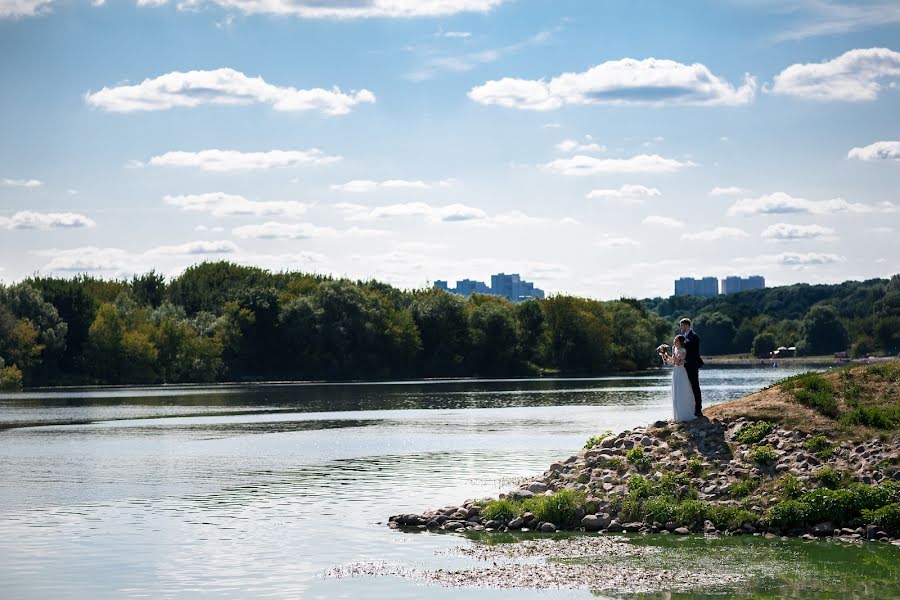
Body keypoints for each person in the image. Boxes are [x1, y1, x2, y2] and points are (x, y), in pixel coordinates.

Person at [661, 335, 696, 422]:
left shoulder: (683, 350)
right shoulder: (676, 350)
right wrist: (665, 355)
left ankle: (684, 415)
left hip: (681, 371)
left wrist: (672, 352)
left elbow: (676, 361)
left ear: (680, 342)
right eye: (674, 340)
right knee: (676, 391)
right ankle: (677, 415)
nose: (674, 341)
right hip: (676, 371)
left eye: (676, 340)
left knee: (681, 391)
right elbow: (674, 362)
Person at [679, 318, 704, 418]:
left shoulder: (694, 336)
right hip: (682, 366)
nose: (680, 327)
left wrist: (686, 360)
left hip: (692, 365)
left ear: (686, 325)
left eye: (681, 325)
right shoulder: (682, 337)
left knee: (695, 386)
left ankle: (698, 409)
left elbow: (694, 352)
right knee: (687, 387)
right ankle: (688, 408)